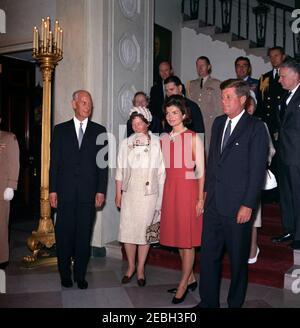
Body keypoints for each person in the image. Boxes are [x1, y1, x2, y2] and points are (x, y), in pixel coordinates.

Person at [196, 79, 268, 308]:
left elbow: (257, 171)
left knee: (238, 262)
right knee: (208, 257)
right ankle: (208, 302)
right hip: (214, 203)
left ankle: (234, 303)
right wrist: (206, 192)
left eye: (228, 97)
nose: (223, 101)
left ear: (242, 99)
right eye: (222, 96)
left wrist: (248, 204)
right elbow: (213, 161)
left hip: (238, 206)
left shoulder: (256, 127)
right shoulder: (218, 123)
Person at [49, 90, 108, 289]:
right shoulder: (60, 130)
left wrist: (101, 191)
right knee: (64, 234)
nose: (87, 106)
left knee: (84, 234)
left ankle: (80, 275)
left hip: (88, 194)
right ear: (73, 104)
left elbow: (103, 165)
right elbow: (54, 163)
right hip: (64, 193)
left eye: (89, 103)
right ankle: (64, 274)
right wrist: (53, 190)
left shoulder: (100, 131)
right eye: (83, 102)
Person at [160, 95, 205, 304]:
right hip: (171, 190)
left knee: (187, 241)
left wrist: (200, 199)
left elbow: (201, 172)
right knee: (179, 237)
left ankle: (182, 283)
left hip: (188, 190)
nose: (170, 116)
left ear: (184, 115)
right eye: (168, 113)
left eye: (175, 113)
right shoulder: (165, 138)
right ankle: (191, 278)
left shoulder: (193, 137)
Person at [115, 107, 165, 286]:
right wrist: (118, 194)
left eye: (140, 124)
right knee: (128, 232)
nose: (136, 127)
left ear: (148, 123)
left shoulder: (158, 142)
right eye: (134, 124)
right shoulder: (125, 143)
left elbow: (162, 173)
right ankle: (131, 267)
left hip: (149, 195)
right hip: (130, 193)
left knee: (145, 233)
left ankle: (141, 268)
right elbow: (119, 171)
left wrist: (161, 199)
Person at [271, 58, 300, 250]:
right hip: (284, 154)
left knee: (298, 195)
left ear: (295, 75)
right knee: (286, 195)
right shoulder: (286, 95)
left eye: (282, 76)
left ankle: (299, 235)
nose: (279, 80)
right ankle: (290, 229)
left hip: (297, 155)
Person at [245, 91, 276, 264]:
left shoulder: (260, 125)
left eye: (251, 104)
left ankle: (252, 249)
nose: (248, 108)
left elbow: (270, 150)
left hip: (253, 176)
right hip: (236, 177)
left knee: (253, 216)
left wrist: (259, 163)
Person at [186, 56, 222, 157]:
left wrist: (219, 126)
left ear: (209, 66)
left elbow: (220, 108)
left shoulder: (216, 84)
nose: (200, 68)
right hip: (194, 124)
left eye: (202, 65)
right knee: (193, 153)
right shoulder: (191, 84)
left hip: (209, 125)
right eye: (197, 65)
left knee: (208, 153)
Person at [0, 115, 20, 269]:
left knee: (1, 225)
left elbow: (14, 162)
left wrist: (11, 185)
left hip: (1, 189)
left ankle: (2, 259)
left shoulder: (8, 138)